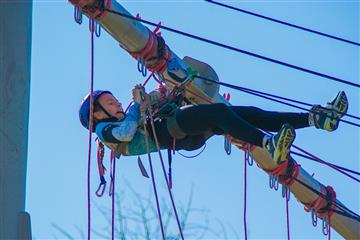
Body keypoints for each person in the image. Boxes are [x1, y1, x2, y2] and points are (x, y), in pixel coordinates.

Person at [79, 85, 348, 164]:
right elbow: (126, 134)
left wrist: (157, 100)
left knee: (245, 114)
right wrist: (138, 103)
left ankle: (315, 119)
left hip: (183, 132)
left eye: (115, 100)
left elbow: (134, 122)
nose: (116, 104)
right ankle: (269, 143)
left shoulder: (127, 118)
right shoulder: (105, 131)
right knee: (220, 110)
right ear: (97, 115)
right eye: (110, 102)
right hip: (173, 132)